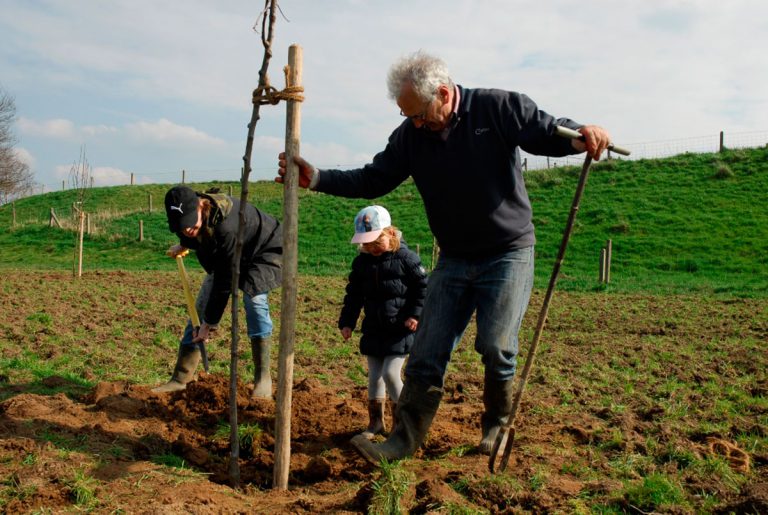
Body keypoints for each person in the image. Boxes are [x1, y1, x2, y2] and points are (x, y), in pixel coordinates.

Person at [276, 50, 613, 464]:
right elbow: (375, 176)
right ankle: (402, 441)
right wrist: (320, 179)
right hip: (454, 258)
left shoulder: (497, 107)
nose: (414, 123)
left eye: (418, 114)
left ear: (442, 93)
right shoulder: (410, 136)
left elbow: (547, 130)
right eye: (407, 116)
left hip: (508, 252)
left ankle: (496, 422)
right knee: (426, 350)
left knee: (496, 345)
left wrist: (582, 133)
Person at [153, 185, 282, 400]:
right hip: (229, 256)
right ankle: (180, 378)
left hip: (263, 251)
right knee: (200, 307)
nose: (186, 230)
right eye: (181, 227)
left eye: (189, 225)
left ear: (201, 206)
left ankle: (263, 379)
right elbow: (194, 233)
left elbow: (225, 279)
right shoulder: (190, 222)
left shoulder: (226, 227)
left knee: (255, 302)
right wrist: (185, 243)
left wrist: (210, 324)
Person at [339, 205, 428, 439]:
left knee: (390, 374)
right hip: (374, 329)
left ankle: (404, 426)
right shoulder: (362, 263)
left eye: (376, 241)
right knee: (374, 376)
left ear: (389, 233)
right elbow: (354, 295)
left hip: (400, 329)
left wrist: (414, 315)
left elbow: (423, 288)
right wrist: (347, 322)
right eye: (366, 243)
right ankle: (376, 423)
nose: (371, 247)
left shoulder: (407, 259)